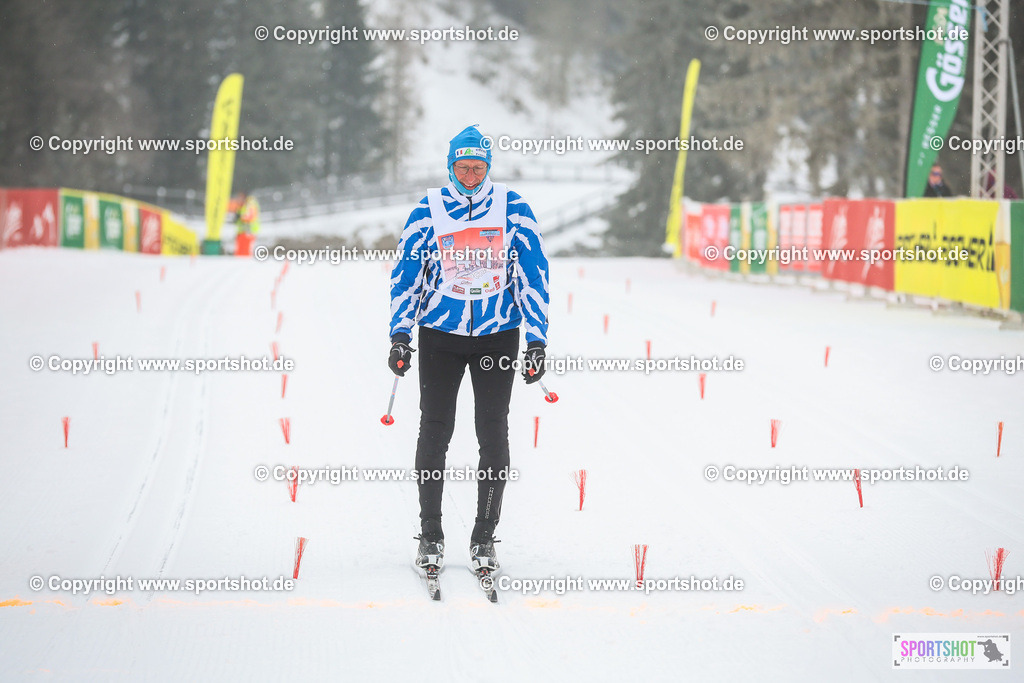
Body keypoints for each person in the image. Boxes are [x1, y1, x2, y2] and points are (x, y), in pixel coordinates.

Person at [388, 124, 549, 579]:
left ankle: (484, 536)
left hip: (498, 334)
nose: (472, 175)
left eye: (479, 167)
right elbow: (406, 275)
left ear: (488, 167)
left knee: (492, 430)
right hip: (441, 333)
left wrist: (536, 340)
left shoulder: (513, 209)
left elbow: (534, 274)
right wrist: (401, 335)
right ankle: (431, 533)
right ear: (451, 167)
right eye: (463, 167)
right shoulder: (429, 210)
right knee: (435, 428)